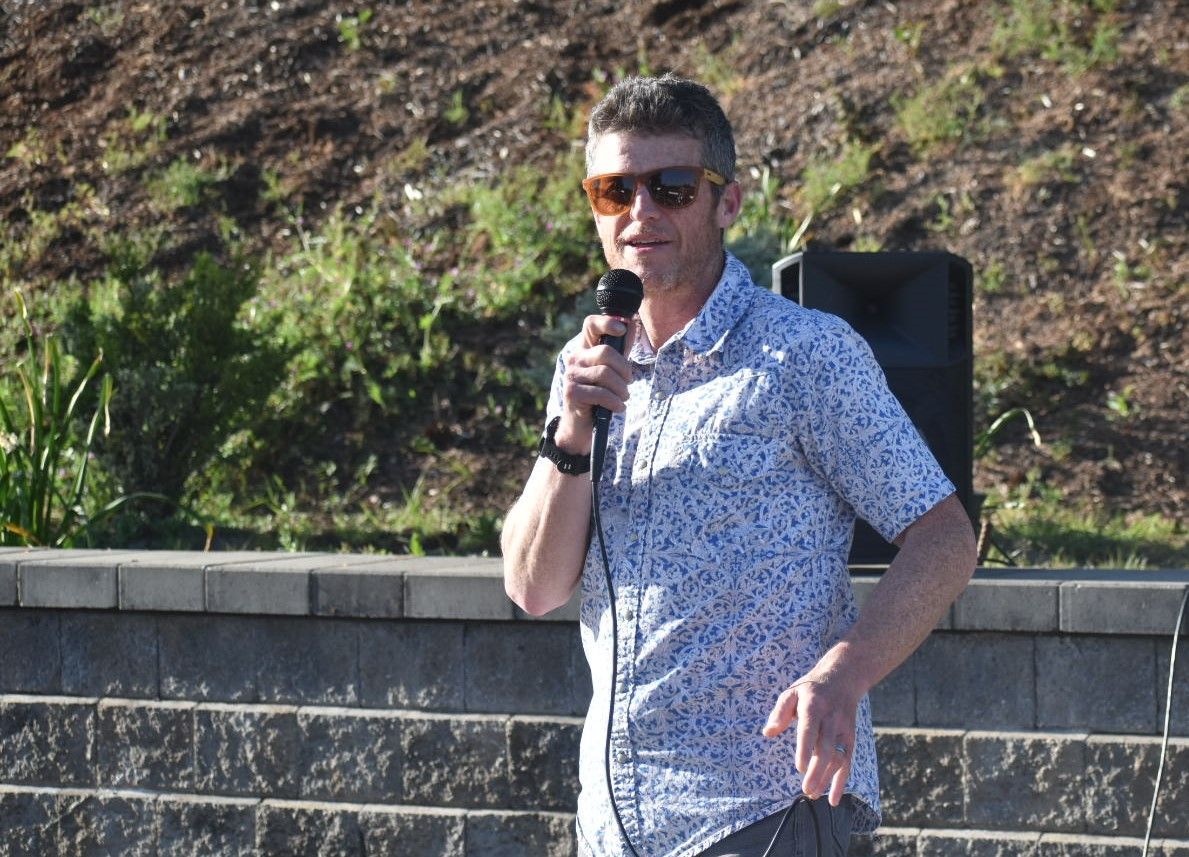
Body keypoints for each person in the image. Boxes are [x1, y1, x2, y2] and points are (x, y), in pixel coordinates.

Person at [501, 74, 976, 857]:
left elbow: (945, 536)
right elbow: (534, 586)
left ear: (727, 202)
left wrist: (843, 673)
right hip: (614, 825)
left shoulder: (804, 355)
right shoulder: (587, 365)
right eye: (614, 190)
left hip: (759, 809)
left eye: (671, 187)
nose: (640, 212)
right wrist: (570, 432)